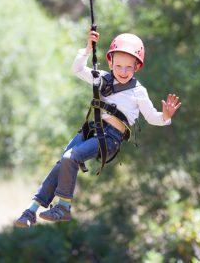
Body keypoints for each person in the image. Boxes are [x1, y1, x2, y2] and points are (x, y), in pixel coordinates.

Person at [15, 30, 181, 228]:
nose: (123, 71)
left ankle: (64, 207)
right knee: (62, 163)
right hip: (91, 130)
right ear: (110, 63)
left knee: (70, 158)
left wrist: (166, 117)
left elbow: (153, 118)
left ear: (137, 67)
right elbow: (78, 69)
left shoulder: (138, 92)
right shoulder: (102, 78)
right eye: (118, 65)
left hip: (110, 138)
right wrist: (87, 49)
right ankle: (31, 210)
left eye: (129, 67)